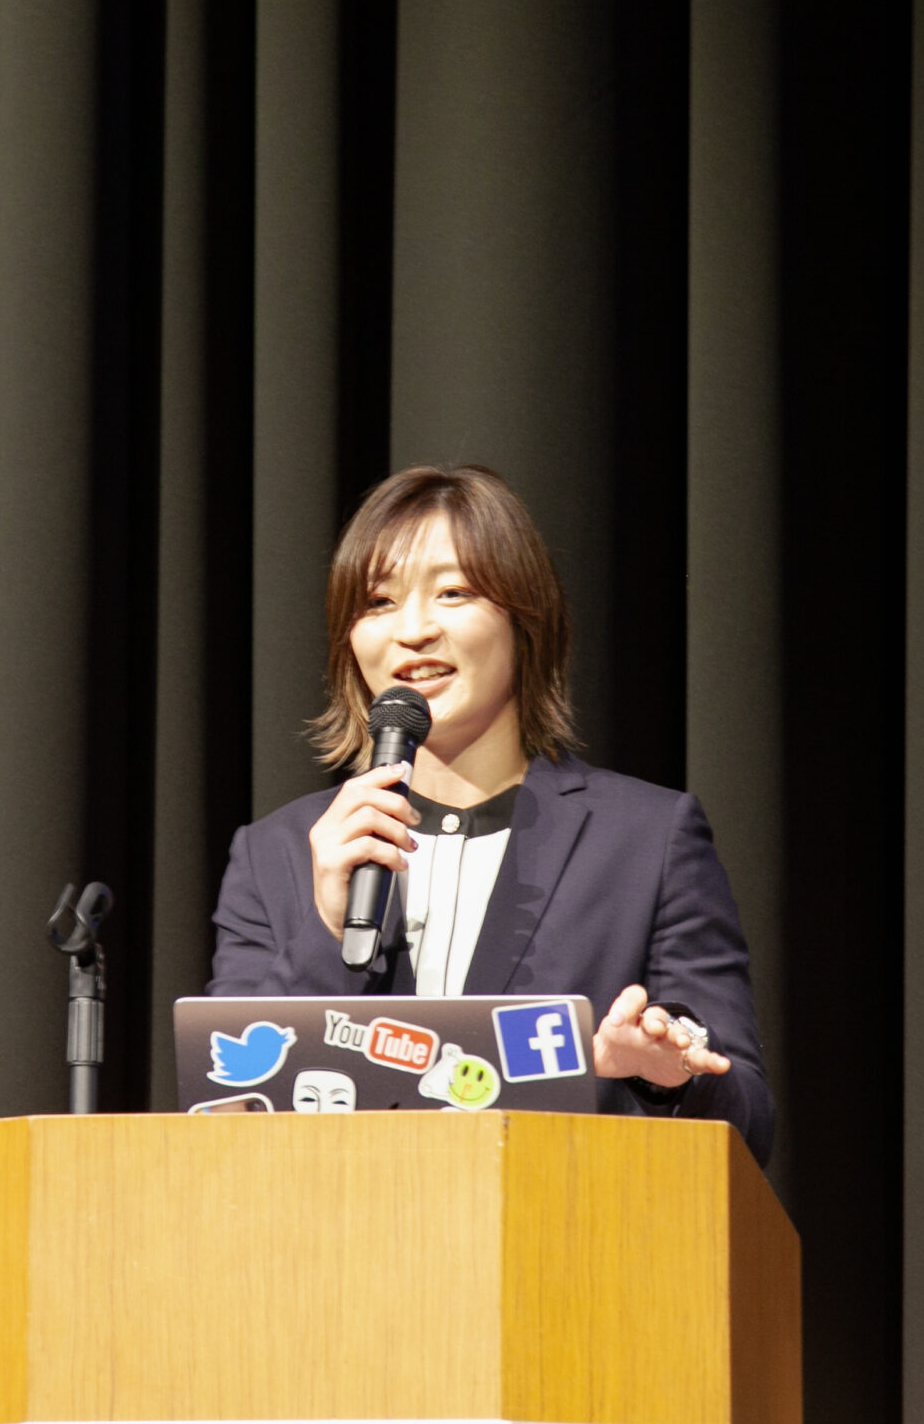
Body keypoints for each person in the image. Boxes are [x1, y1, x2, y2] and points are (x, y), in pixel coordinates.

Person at [206, 465, 774, 1164]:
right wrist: (326, 930)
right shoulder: (278, 852)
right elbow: (223, 1118)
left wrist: (667, 1074)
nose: (413, 630)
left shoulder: (645, 839)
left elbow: (748, 1122)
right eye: (379, 602)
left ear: (522, 619)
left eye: (453, 592)